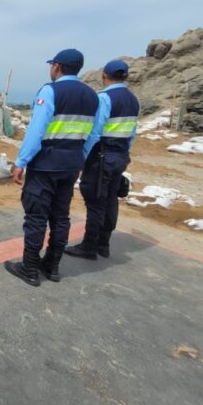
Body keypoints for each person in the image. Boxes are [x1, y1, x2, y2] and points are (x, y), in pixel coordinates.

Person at [5, 49, 99, 286]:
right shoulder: (92, 96)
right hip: (71, 165)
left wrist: (21, 161)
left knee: (36, 216)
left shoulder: (50, 90)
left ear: (56, 66)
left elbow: (36, 131)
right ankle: (53, 265)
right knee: (60, 216)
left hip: (46, 164)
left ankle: (30, 268)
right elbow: (94, 134)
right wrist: (80, 158)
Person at [65, 60, 140, 260]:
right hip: (120, 156)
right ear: (126, 77)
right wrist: (123, 152)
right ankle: (103, 243)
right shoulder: (134, 100)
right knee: (111, 199)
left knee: (96, 201)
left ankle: (89, 246)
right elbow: (132, 133)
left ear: (104, 76)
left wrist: (82, 157)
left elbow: (95, 132)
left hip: (102, 156)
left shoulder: (105, 98)